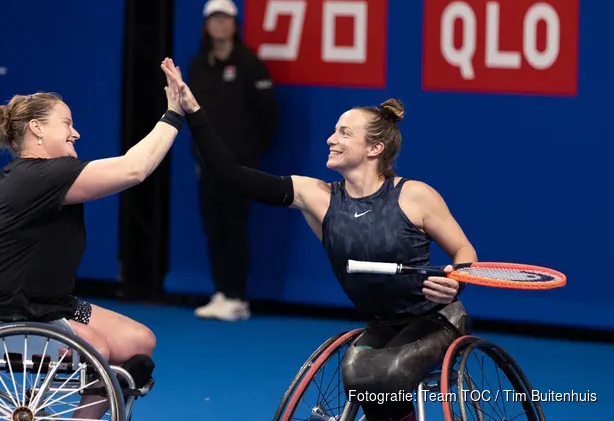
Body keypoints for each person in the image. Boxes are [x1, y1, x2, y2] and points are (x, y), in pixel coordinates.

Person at [161, 59, 476, 421]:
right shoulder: (317, 197)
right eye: (334, 131)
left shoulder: (414, 195)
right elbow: (227, 173)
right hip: (381, 326)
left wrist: (454, 283)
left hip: (436, 319)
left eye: (344, 133)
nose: (331, 139)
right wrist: (192, 109)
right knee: (359, 375)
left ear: (374, 149)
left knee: (379, 376)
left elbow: (464, 250)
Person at [0, 59, 184, 418]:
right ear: (36, 129)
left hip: (50, 305)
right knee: (97, 350)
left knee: (140, 341)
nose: (75, 132)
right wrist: (174, 113)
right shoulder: (37, 175)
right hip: (9, 311)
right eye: (66, 123)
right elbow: (134, 168)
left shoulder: (42, 175)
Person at [189, 0, 279, 321]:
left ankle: (238, 297)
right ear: (206, 25)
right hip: (207, 165)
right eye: (214, 18)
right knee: (213, 228)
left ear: (234, 24)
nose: (220, 24)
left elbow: (268, 116)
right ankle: (222, 293)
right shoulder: (198, 65)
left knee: (235, 227)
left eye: (225, 18)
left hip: (240, 166)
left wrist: (248, 154)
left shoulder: (250, 64)